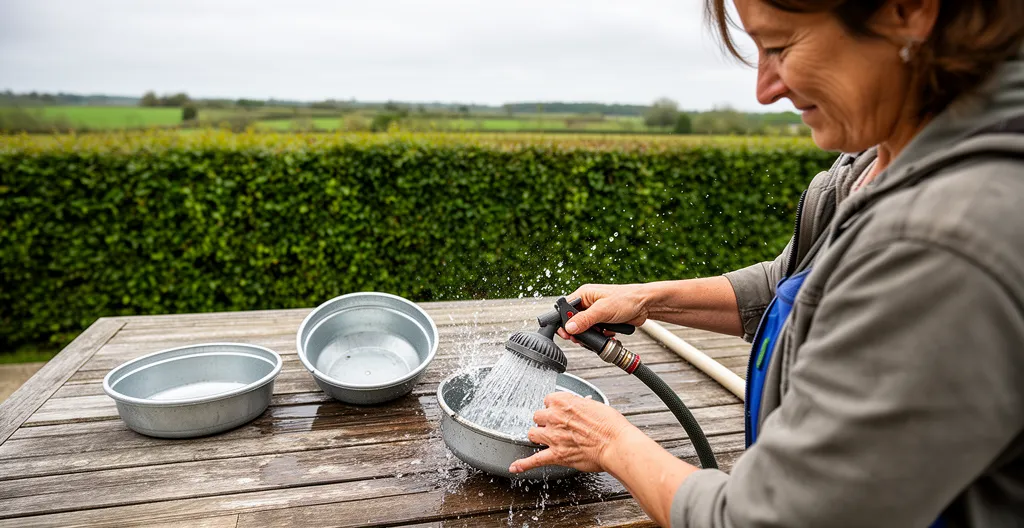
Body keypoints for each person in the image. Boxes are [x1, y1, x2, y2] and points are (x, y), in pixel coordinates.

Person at [508, 0, 1024, 526]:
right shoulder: (880, 160)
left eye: (779, 45)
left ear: (907, 11)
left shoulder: (942, 244)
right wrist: (649, 299)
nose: (765, 89)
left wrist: (609, 442)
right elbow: (791, 286)